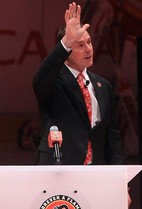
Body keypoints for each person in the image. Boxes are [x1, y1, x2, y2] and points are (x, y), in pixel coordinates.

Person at [33, 2, 124, 165]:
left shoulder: (103, 86)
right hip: (59, 167)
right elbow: (42, 76)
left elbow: (113, 139)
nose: (89, 49)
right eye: (80, 45)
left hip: (96, 171)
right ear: (67, 52)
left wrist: (122, 180)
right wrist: (67, 41)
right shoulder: (54, 81)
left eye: (89, 42)